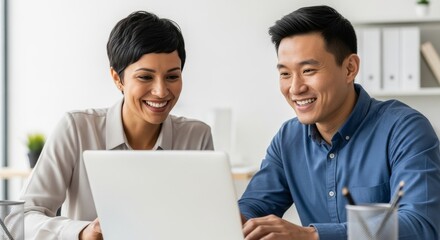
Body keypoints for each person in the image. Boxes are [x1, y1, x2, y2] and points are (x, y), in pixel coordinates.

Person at [238, 5, 440, 240]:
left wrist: (313, 236)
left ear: (349, 68)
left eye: (308, 70)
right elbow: (254, 207)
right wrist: (228, 218)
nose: (295, 87)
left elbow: (421, 225)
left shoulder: (405, 129)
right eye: (285, 74)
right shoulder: (288, 138)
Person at [20, 11, 213, 240]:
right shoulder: (77, 129)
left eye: (172, 77)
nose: (161, 91)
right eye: (145, 77)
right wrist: (82, 232)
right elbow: (23, 218)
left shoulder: (196, 136)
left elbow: (208, 223)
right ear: (117, 78)